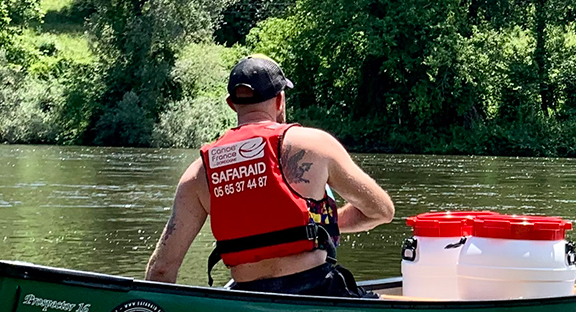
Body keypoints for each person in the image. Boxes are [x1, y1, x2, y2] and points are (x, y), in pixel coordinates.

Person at [143, 55, 395, 297]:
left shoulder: (199, 172)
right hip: (317, 292)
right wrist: (323, 225)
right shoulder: (315, 145)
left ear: (232, 104)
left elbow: (162, 269)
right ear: (280, 100)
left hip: (246, 302)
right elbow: (382, 211)